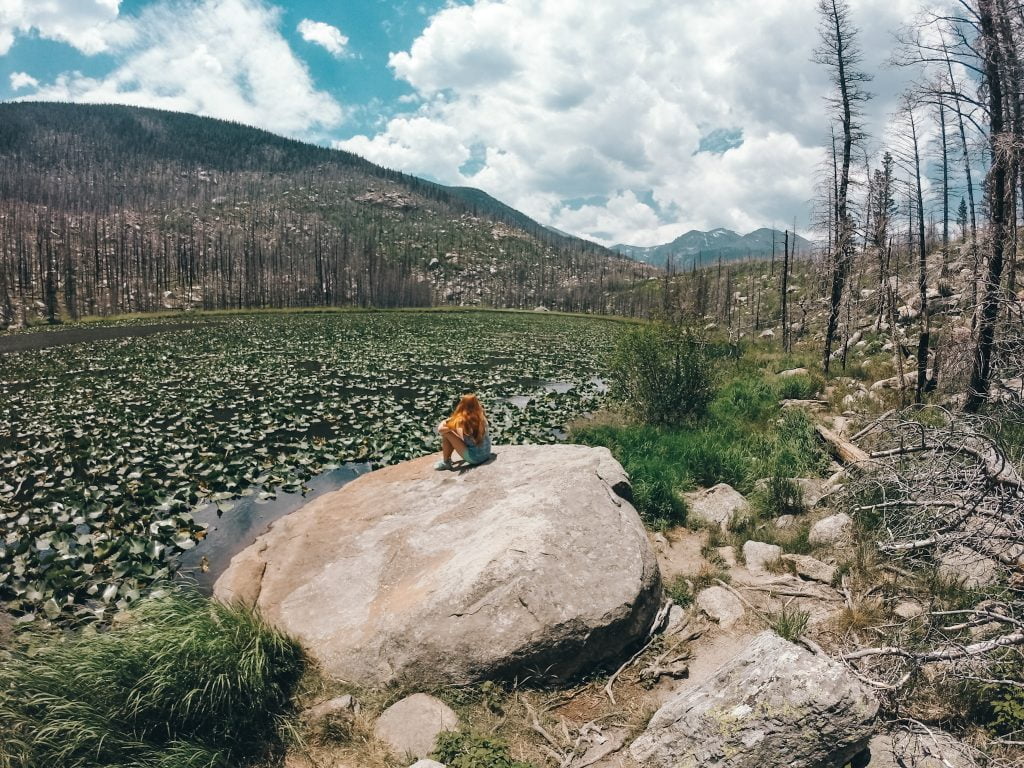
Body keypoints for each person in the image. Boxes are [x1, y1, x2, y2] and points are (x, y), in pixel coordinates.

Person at [435, 393, 492, 470]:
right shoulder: (481, 415)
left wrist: (444, 421)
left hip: (475, 458)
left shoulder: (462, 420)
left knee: (447, 433)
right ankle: (447, 460)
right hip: (486, 454)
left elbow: (440, 430)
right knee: (453, 430)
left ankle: (446, 462)